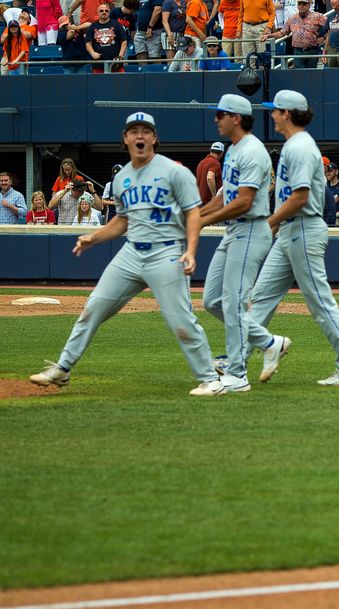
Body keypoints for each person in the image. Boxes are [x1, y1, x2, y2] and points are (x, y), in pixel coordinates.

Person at [29, 112, 225, 396]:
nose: (140, 136)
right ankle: (63, 367)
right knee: (92, 308)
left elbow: (193, 213)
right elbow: (123, 220)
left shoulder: (174, 172)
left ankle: (211, 379)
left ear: (155, 138)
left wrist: (192, 250)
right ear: (125, 138)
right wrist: (94, 237)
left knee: (180, 320)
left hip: (167, 252)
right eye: (134, 131)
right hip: (132, 253)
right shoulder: (122, 179)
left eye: (146, 131)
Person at [245, 89, 339, 387]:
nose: (272, 114)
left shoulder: (299, 147)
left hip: (303, 227)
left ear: (286, 113)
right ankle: (234, 361)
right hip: (290, 229)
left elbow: (299, 197)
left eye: (275, 110)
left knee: (320, 302)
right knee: (260, 299)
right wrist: (275, 226)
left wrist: (269, 223)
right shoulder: (293, 145)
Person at [196, 93, 274, 394]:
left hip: (251, 229)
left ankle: (237, 375)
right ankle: (269, 342)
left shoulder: (252, 151)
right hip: (233, 232)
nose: (217, 119)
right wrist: (195, 214)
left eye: (221, 114)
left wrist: (202, 222)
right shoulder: (233, 149)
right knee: (212, 300)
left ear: (236, 118)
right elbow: (223, 197)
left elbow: (244, 201)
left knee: (233, 302)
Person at [263, 0, 327, 69]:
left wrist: (323, 38)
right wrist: (269, 35)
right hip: (298, 52)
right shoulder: (292, 18)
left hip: (312, 51)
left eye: (304, 4)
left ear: (309, 5)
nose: (301, 6)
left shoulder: (317, 16)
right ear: (297, 5)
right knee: (299, 75)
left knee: (311, 75)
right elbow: (282, 33)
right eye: (299, 4)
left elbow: (330, 26)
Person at [85, 3, 128, 72]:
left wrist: (120, 56)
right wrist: (92, 53)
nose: (104, 12)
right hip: (98, 64)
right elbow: (88, 43)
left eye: (106, 11)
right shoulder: (92, 27)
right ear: (97, 13)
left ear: (109, 12)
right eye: (101, 11)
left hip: (115, 64)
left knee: (119, 82)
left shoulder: (117, 24)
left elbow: (124, 41)